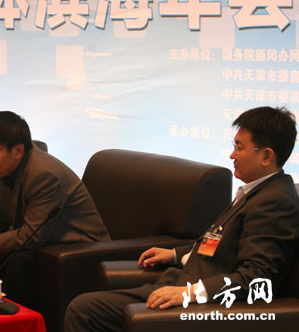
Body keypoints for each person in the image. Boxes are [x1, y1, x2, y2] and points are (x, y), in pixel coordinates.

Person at [64, 106, 299, 332]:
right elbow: (224, 243)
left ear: (266, 156)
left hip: (201, 303)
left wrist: (190, 293)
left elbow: (256, 278)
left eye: (239, 148)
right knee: (86, 304)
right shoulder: (257, 191)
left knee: (84, 311)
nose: (232, 155)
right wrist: (176, 254)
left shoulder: (275, 203)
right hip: (180, 281)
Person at [0, 111, 110, 307]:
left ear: (18, 151)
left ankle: (16, 320)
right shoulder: (3, 168)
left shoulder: (44, 175)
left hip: (80, 252)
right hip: (43, 242)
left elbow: (29, 237)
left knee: (16, 260)